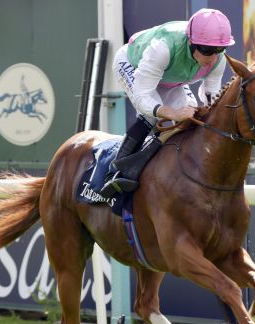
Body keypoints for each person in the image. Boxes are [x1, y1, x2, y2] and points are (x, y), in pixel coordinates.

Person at [98, 8, 235, 198]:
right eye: (206, 50)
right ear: (190, 41)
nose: (212, 57)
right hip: (133, 64)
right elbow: (142, 96)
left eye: (219, 50)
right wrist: (172, 113)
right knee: (151, 115)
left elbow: (210, 96)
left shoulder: (218, 60)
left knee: (191, 116)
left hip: (168, 77)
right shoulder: (162, 48)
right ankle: (115, 173)